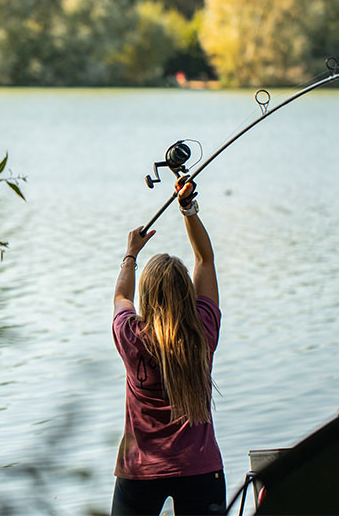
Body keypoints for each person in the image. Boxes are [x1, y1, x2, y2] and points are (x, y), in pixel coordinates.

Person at [111, 177, 226, 516]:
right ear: (187, 294)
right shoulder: (203, 330)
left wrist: (131, 253)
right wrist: (187, 209)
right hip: (200, 469)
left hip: (140, 472)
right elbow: (205, 260)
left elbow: (121, 297)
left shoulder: (131, 335)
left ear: (148, 295)